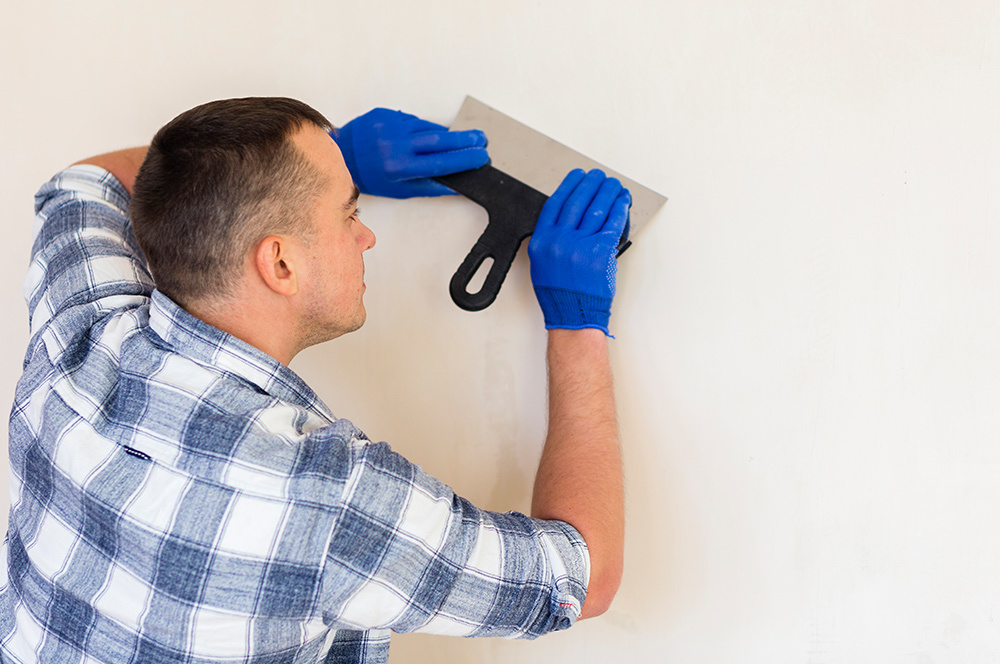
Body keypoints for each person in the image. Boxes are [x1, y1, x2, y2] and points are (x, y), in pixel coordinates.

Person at [0, 97, 629, 663]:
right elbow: (582, 575)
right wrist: (577, 323)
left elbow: (88, 180)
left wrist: (338, 154)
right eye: (349, 210)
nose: (368, 234)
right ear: (279, 262)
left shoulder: (79, 331)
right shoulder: (327, 499)